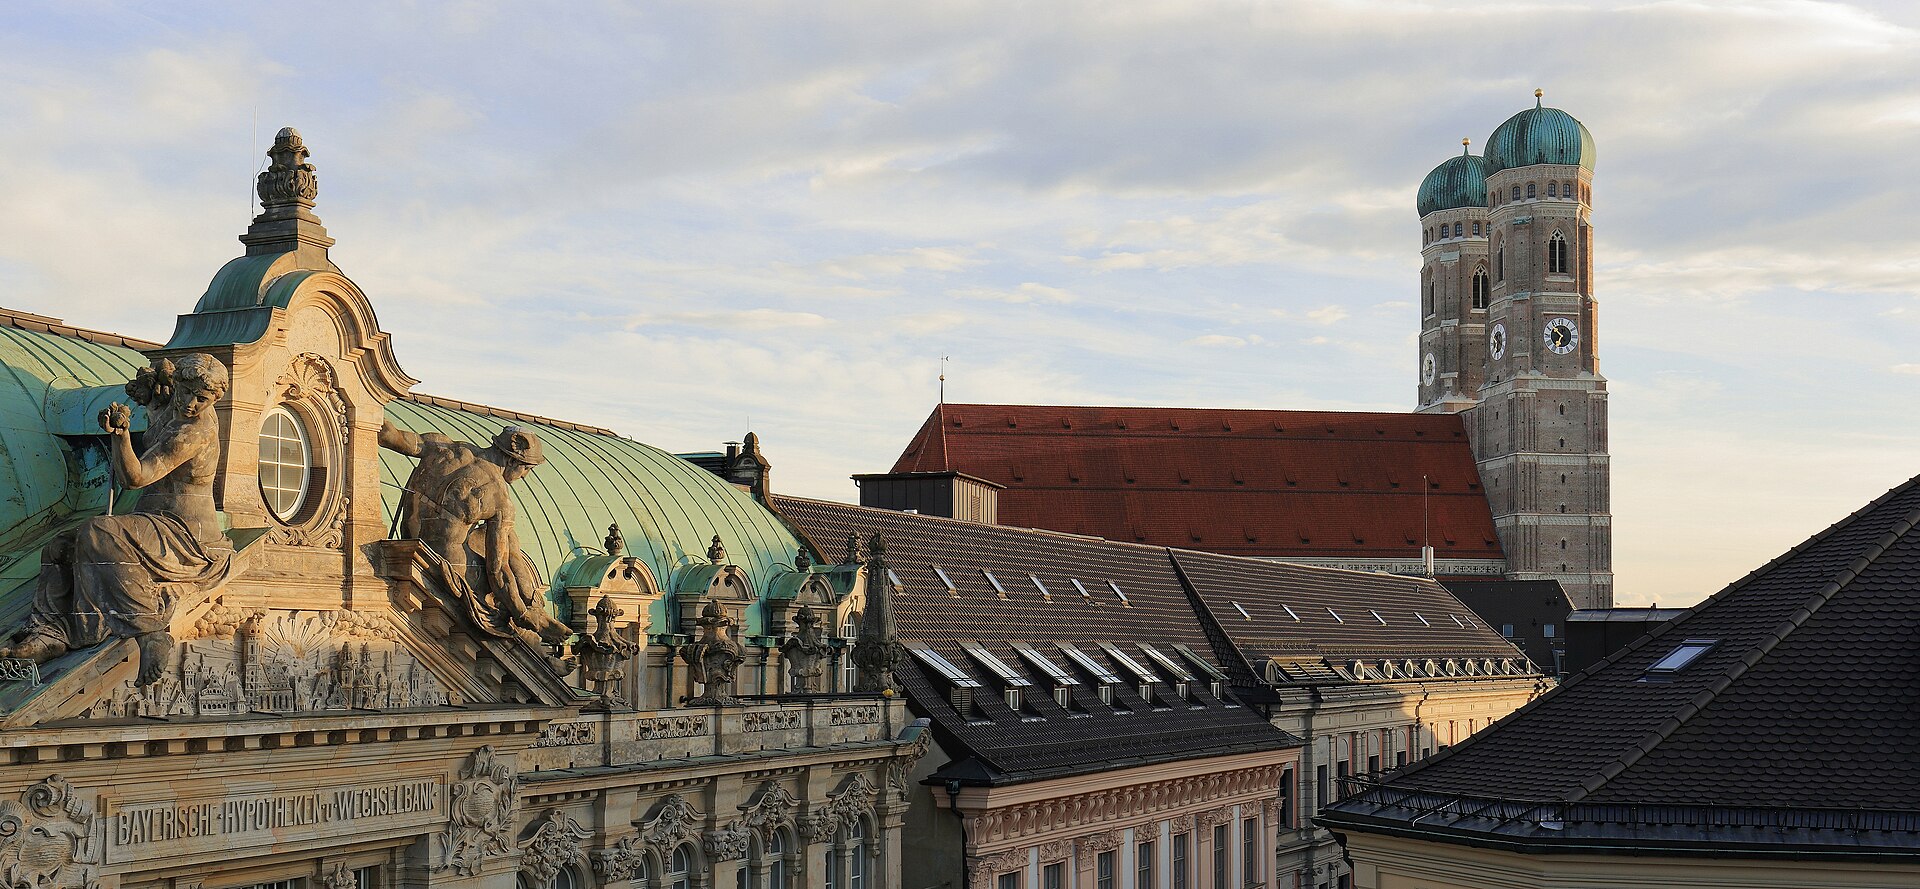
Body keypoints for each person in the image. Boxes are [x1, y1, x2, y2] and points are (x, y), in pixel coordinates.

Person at [1, 354, 233, 686]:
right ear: (178, 384)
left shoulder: (194, 430)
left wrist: (121, 436)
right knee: (59, 547)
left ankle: (150, 629)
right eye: (189, 393)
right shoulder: (175, 403)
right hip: (154, 521)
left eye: (204, 399)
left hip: (186, 535)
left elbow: (136, 478)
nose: (193, 404)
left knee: (99, 531)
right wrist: (132, 405)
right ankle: (52, 631)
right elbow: (155, 395)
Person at [378, 420, 571, 647]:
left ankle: (534, 612)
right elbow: (497, 571)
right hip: (451, 567)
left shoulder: (447, 447)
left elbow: (392, 437)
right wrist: (520, 613)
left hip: (412, 547)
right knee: (509, 542)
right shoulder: (500, 499)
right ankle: (535, 621)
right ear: (511, 460)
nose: (525, 475)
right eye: (526, 468)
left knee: (503, 538)